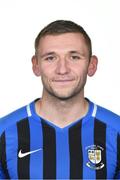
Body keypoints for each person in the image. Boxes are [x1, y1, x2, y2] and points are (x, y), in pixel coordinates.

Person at [0, 20, 120, 179]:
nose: (62, 69)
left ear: (91, 65)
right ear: (36, 65)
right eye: (50, 58)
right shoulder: (4, 132)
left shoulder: (115, 131)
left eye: (74, 57)